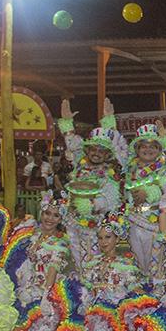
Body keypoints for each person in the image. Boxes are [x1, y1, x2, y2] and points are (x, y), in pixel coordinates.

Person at [61, 210, 150, 331]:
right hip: (91, 304)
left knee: (103, 314)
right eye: (100, 238)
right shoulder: (92, 262)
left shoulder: (125, 263)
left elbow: (132, 286)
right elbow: (86, 284)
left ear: (117, 239)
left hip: (113, 307)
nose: (103, 242)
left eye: (108, 237)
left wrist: (147, 299)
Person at [2, 194, 76, 331]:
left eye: (56, 215)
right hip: (26, 283)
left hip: (49, 284)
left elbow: (52, 268)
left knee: (53, 309)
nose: (50, 218)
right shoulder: (29, 233)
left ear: (61, 218)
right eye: (47, 213)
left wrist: (47, 293)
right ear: (41, 212)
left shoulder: (60, 241)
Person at [57, 98, 127, 269]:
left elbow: (110, 198)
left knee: (95, 259)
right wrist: (67, 124)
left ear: (107, 155)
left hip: (97, 223)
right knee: (77, 257)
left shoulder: (110, 172)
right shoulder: (81, 164)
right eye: (93, 149)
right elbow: (73, 145)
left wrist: (90, 205)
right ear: (87, 151)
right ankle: (82, 285)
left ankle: (95, 287)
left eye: (101, 151)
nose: (96, 154)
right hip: (74, 221)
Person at [123, 123, 166, 283]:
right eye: (144, 146)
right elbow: (114, 149)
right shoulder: (130, 167)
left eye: (153, 146)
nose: (148, 150)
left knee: (157, 262)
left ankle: (157, 295)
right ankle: (142, 296)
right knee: (138, 262)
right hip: (134, 220)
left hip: (156, 222)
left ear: (159, 149)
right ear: (137, 149)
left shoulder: (165, 169)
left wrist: (149, 192)